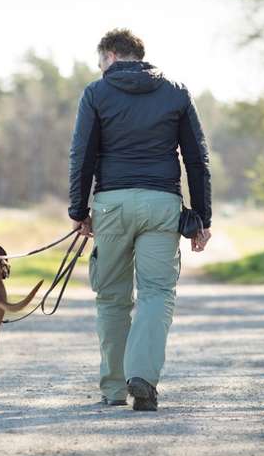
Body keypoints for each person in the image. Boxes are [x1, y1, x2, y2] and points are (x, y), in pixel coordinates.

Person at [67, 28, 212, 411]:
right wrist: (202, 216)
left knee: (112, 298)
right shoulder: (176, 92)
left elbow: (81, 155)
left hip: (112, 205)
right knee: (157, 294)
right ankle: (143, 378)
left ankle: (114, 390)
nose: (100, 70)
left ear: (111, 56)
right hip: (162, 204)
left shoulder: (96, 94)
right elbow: (196, 159)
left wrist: (78, 211)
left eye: (101, 63)